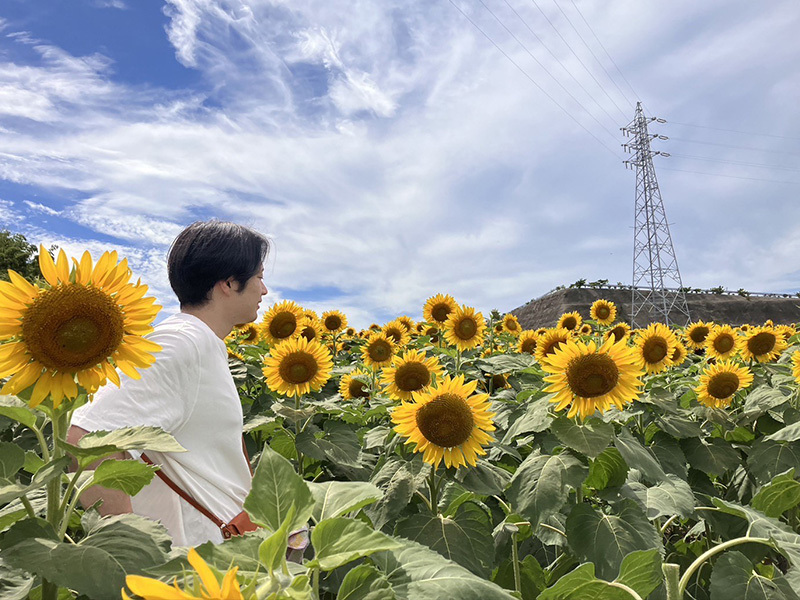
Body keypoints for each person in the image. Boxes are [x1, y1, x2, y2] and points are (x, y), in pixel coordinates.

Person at [67, 220, 269, 546]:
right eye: (259, 276)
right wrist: (137, 551)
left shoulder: (202, 344)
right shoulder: (181, 343)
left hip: (225, 549)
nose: (264, 289)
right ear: (229, 282)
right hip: (191, 567)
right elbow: (87, 439)